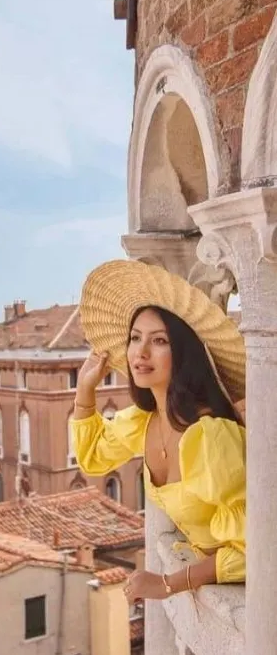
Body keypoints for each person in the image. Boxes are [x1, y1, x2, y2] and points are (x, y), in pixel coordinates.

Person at [71, 259, 246, 606]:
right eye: (135, 338)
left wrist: (168, 583)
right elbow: (91, 459)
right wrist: (83, 393)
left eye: (159, 340)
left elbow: (259, 548)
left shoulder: (210, 435)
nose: (141, 351)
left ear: (183, 353)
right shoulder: (144, 420)